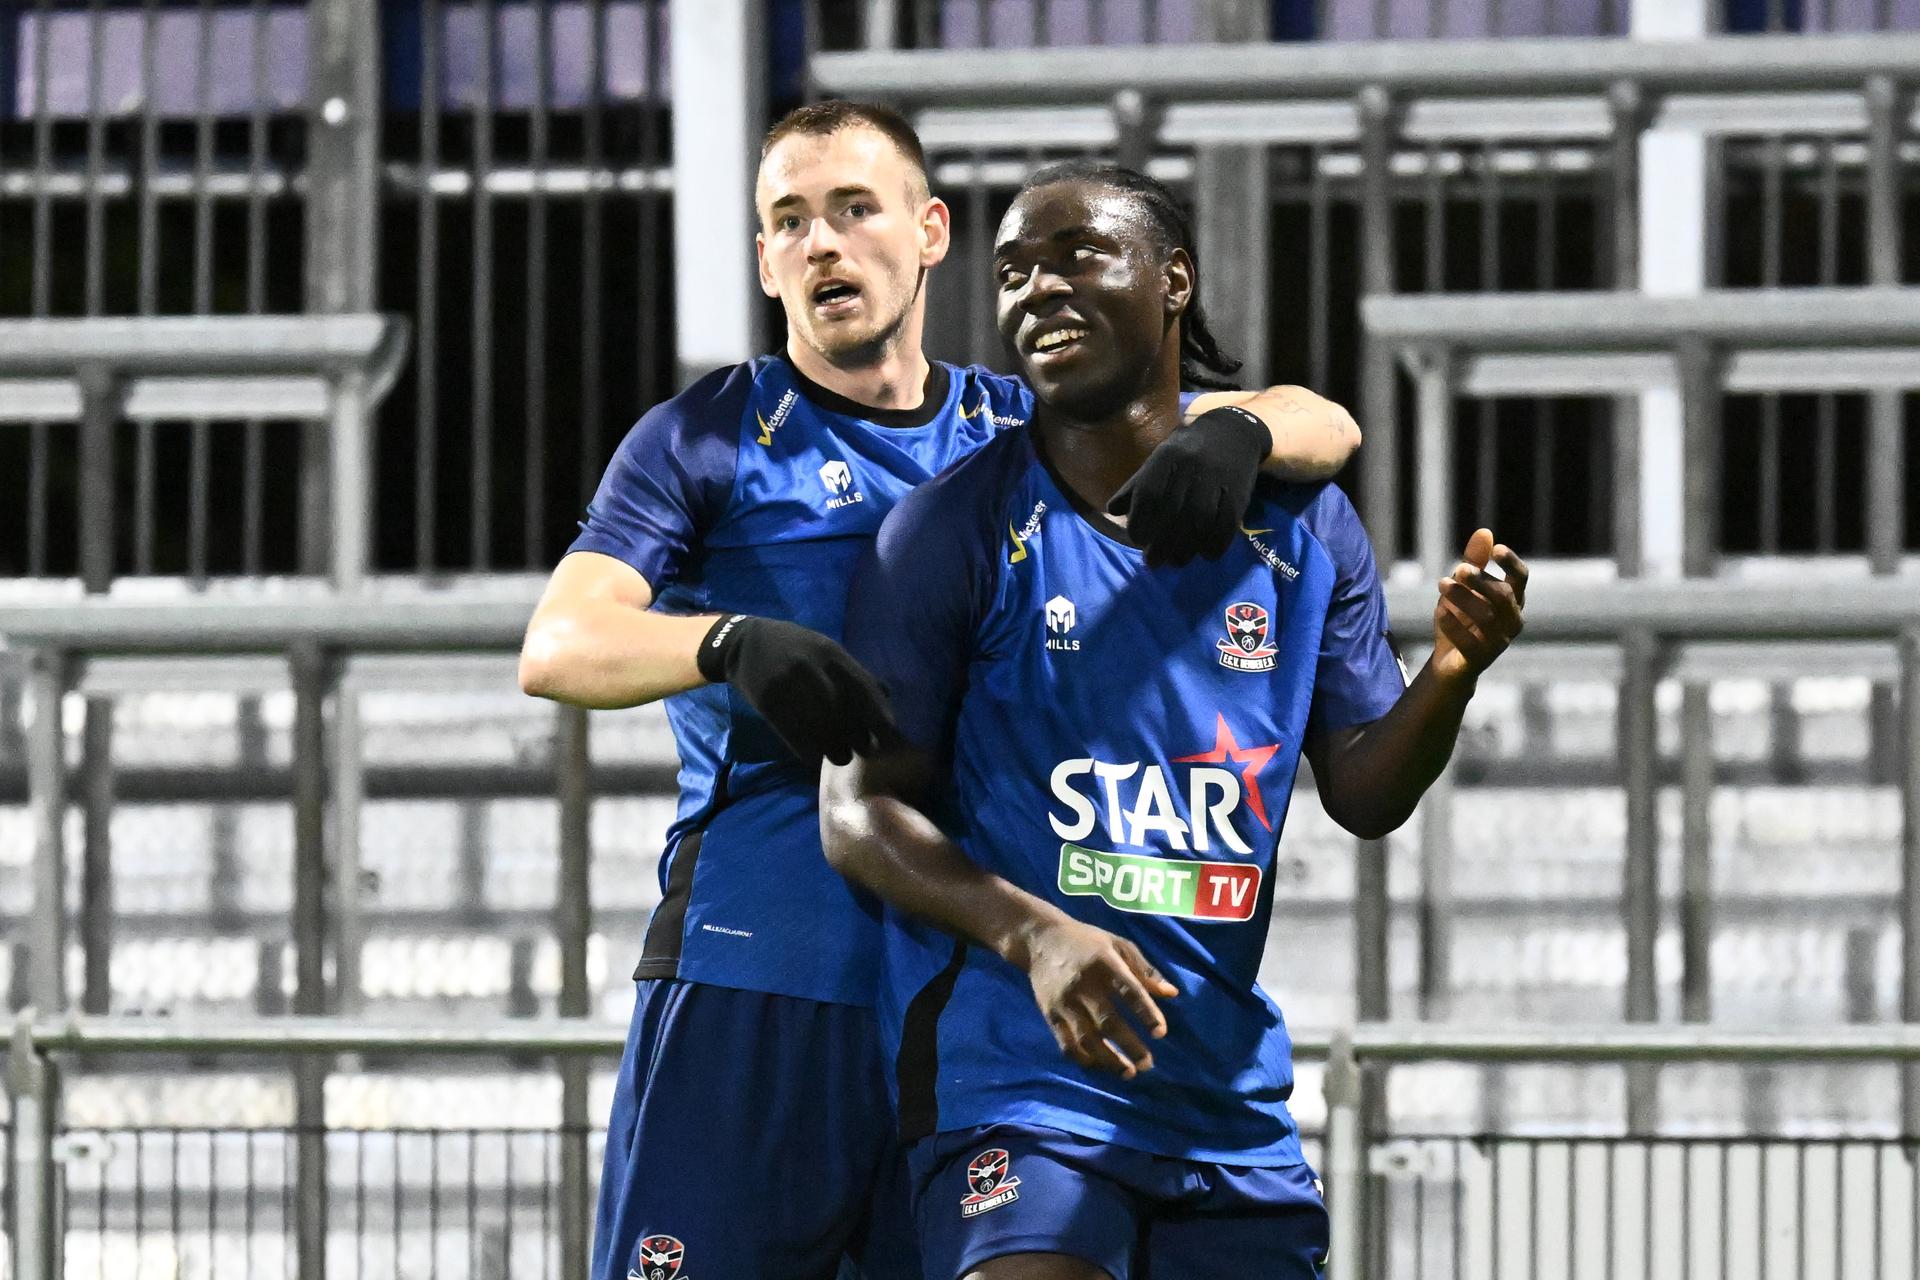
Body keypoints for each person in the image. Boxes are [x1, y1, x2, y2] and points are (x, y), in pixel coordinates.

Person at [520, 101, 1365, 1280]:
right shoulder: (709, 434)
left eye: (853, 209)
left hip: (968, 1013)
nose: (822, 242)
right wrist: (726, 641)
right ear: (764, 260)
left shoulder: (1015, 423)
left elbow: (1324, 420)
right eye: (789, 221)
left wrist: (1251, 431)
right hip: (762, 975)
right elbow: (558, 642)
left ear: (929, 233)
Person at [819, 158, 1529, 1280]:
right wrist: (1035, 934)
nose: (1039, 288)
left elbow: (1365, 789)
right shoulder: (949, 529)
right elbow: (857, 813)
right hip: (1021, 1083)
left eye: (1079, 254)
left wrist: (1450, 671)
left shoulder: (1307, 527)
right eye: (1013, 271)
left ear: (1174, 281)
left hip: (1223, 1104)